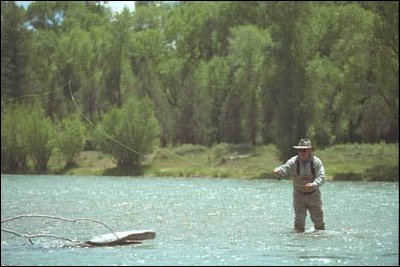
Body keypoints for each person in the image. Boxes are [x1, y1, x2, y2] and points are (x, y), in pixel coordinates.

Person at [273, 138, 326, 233]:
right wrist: (279, 171)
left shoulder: (316, 162)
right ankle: (298, 242)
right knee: (299, 222)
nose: (302, 152)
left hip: (314, 195)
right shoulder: (293, 161)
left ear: (310, 150)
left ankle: (319, 240)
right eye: (300, 150)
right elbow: (285, 168)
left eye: (304, 150)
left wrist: (314, 184)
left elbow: (322, 177)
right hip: (298, 195)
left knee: (319, 223)